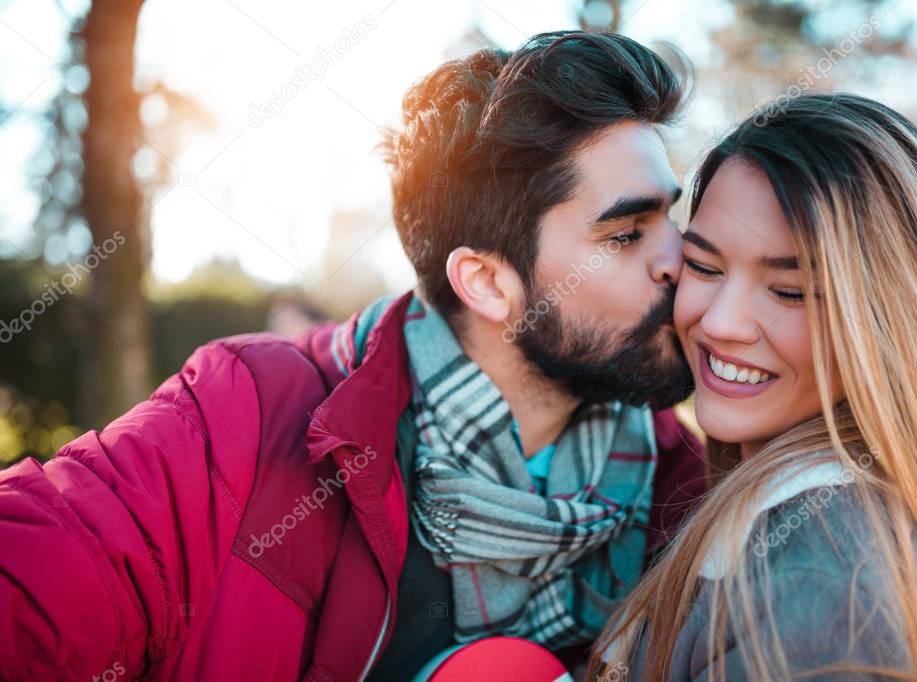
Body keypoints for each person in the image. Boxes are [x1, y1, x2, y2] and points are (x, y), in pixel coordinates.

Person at [0, 31, 707, 681]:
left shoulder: (690, 491)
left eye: (669, 219)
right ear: (488, 283)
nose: (681, 259)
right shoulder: (241, 420)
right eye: (625, 233)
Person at [591, 94, 917, 681]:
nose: (719, 322)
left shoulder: (831, 592)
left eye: (791, 290)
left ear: (891, 321)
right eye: (706, 267)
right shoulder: (762, 515)